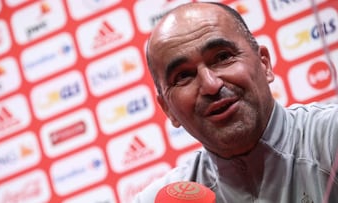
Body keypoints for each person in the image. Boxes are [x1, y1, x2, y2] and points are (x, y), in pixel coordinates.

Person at [133, 2, 338, 203]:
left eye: (223, 57)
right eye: (183, 76)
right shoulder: (155, 200)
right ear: (168, 109)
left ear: (264, 64)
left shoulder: (331, 138)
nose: (211, 85)